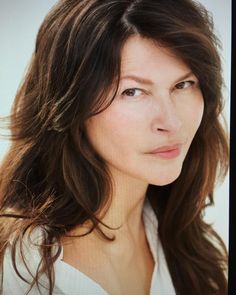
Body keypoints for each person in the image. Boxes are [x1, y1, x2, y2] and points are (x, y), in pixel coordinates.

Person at [0, 0, 229, 294]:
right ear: (72, 104)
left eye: (183, 85)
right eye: (132, 92)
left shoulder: (185, 240)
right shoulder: (25, 272)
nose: (171, 122)